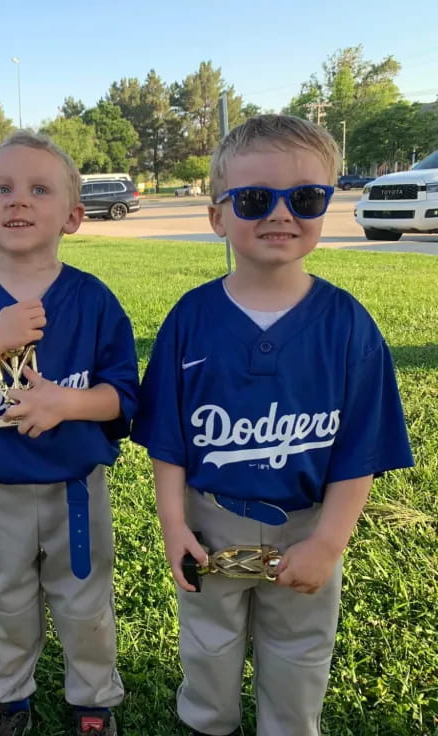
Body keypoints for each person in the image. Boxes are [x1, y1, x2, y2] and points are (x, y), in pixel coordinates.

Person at [130, 114, 414, 736]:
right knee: (207, 647)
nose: (281, 214)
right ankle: (209, 725)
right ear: (218, 217)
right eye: (256, 199)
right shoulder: (191, 318)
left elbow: (357, 453)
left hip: (308, 524)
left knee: (299, 654)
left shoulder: (348, 325)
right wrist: (174, 524)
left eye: (305, 197)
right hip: (211, 521)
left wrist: (329, 544)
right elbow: (170, 440)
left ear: (327, 204)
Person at [0, 131, 139, 736]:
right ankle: (9, 699)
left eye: (39, 189)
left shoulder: (92, 300)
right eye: (2, 189)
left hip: (74, 487)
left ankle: (93, 701)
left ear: (73, 216)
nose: (19, 201)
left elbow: (123, 397)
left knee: (84, 600)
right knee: (9, 601)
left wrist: (64, 403)